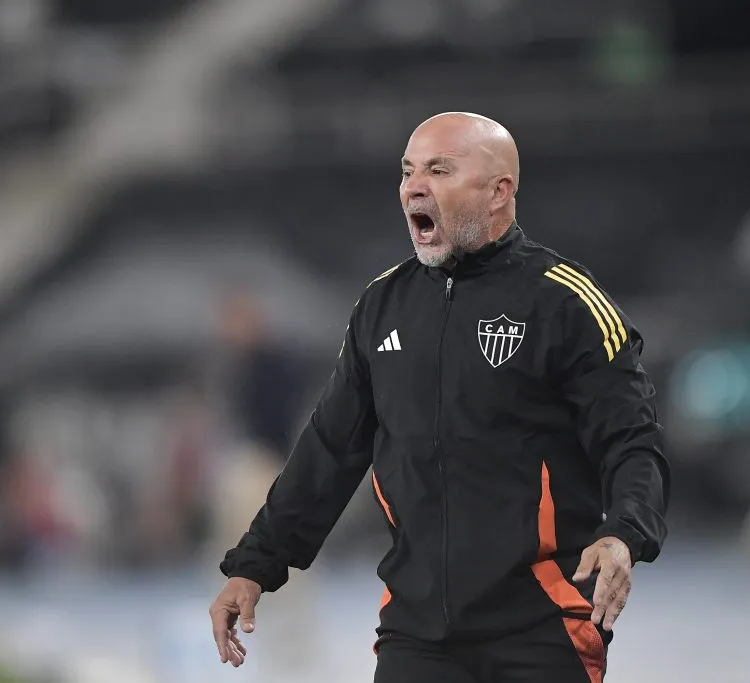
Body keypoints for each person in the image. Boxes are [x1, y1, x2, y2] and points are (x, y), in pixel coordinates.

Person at [208, 112, 671, 683]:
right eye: (407, 172)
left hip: (540, 625)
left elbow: (633, 441)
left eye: (439, 169)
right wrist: (253, 565)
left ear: (500, 191)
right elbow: (327, 452)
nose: (414, 186)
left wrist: (624, 533)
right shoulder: (382, 307)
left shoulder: (567, 303)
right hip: (416, 632)